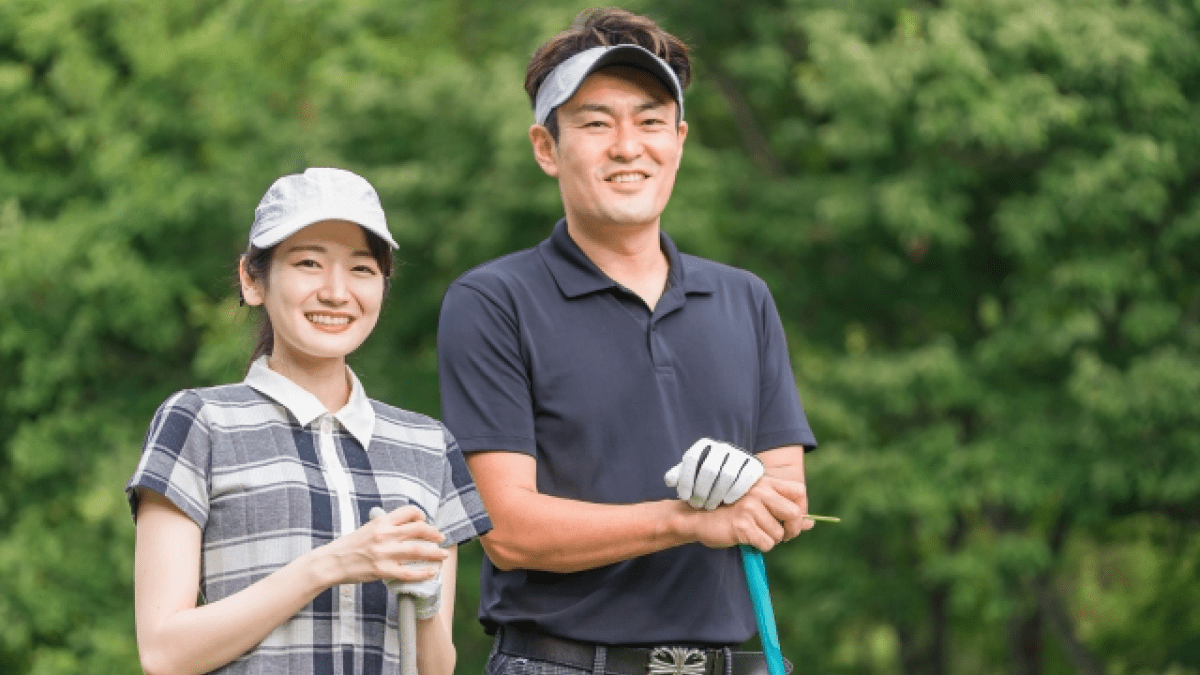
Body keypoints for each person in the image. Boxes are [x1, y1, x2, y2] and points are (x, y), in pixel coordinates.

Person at [436, 8, 817, 675]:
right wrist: (687, 518)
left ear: (679, 140)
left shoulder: (743, 297)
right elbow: (507, 529)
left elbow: (789, 500)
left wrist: (755, 489)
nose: (627, 145)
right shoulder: (493, 302)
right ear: (545, 147)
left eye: (649, 120)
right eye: (594, 122)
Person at [127, 167, 491, 675]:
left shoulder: (426, 445)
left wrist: (425, 605)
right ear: (252, 280)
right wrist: (331, 566)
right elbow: (164, 654)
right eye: (308, 263)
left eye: (361, 269)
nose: (337, 292)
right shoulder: (199, 422)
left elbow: (434, 669)